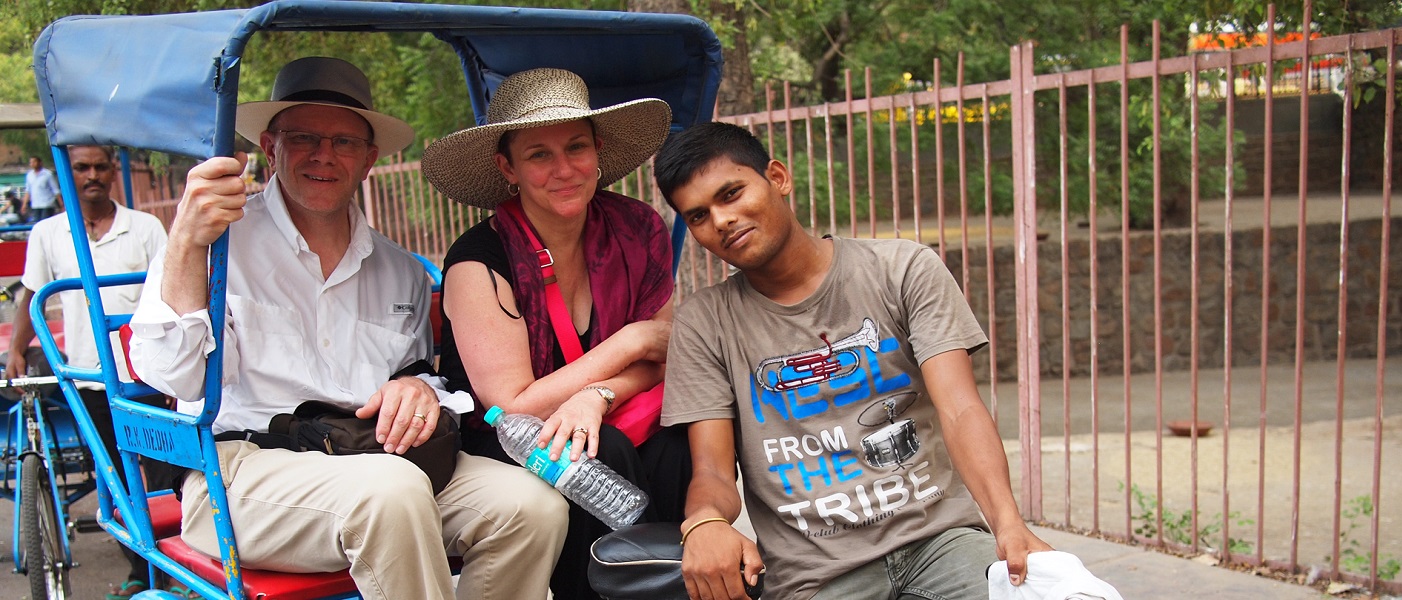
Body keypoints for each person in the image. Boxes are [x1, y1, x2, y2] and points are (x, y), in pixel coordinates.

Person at [128, 57, 566, 600]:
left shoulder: (399, 269)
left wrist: (416, 389)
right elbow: (175, 376)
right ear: (270, 148)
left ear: (368, 161)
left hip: (369, 457)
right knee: (392, 491)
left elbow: (415, 375)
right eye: (304, 137)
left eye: (344, 143)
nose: (323, 155)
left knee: (533, 506)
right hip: (238, 473)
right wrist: (187, 242)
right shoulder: (215, 248)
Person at [653, 122, 1053, 600]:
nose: (721, 221)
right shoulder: (704, 322)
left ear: (777, 178)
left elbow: (961, 409)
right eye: (698, 216)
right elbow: (714, 472)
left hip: (941, 541)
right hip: (815, 575)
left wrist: (1008, 523)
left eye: (732, 193)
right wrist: (705, 522)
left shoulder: (903, 268)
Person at [420, 67, 691, 600]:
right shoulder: (479, 260)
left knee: (682, 436)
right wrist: (630, 341)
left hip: (608, 409)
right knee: (593, 452)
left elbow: (666, 356)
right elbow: (514, 405)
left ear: (599, 150)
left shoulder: (637, 229)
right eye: (539, 154)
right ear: (508, 167)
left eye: (576, 147)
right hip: (499, 437)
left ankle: (691, 581)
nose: (564, 169)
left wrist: (597, 394)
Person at [4, 144, 169, 599]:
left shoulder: (146, 228)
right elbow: (32, 294)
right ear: (65, 174)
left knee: (163, 477)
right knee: (116, 478)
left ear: (113, 171)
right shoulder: (48, 232)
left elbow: (175, 289)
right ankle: (142, 571)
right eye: (81, 167)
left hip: (147, 379)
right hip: (87, 377)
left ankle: (170, 564)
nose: (92, 174)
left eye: (100, 166)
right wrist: (17, 351)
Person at [24, 155, 61, 222]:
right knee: (37, 224)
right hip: (35, 205)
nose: (32, 164)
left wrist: (61, 204)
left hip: (47, 204)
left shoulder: (47, 174)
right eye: (31, 162)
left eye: (34, 162)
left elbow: (55, 190)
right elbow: (28, 191)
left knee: (46, 223)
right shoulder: (29, 175)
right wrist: (24, 204)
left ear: (40, 162)